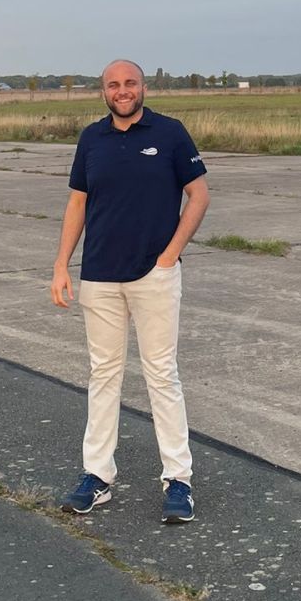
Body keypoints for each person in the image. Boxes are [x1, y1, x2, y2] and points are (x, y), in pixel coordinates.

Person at [50, 59, 209, 523]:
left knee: (162, 374)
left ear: (143, 88)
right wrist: (61, 264)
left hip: (153, 276)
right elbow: (78, 202)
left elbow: (199, 196)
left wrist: (169, 256)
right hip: (99, 276)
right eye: (114, 85)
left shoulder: (170, 133)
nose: (123, 91)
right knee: (103, 375)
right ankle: (97, 476)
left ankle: (178, 480)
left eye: (131, 83)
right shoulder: (91, 139)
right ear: (104, 91)